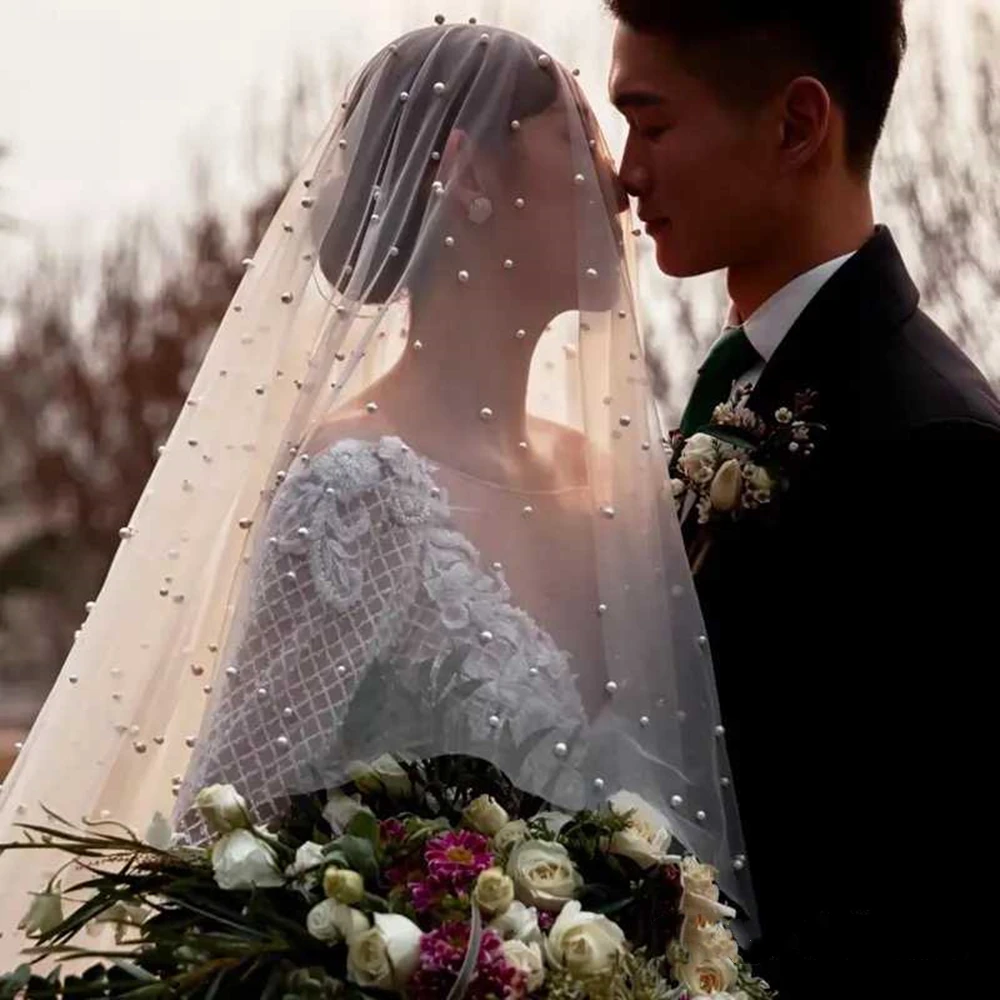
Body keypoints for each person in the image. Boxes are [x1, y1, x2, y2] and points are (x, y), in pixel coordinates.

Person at [0, 22, 754, 967]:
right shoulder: (360, 494)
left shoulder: (623, 487)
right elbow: (224, 847)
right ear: (467, 174)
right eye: (582, 140)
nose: (622, 181)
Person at [605, 1, 1000, 991]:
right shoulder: (739, 384)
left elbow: (930, 892)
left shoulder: (932, 442)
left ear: (795, 125)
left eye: (651, 124)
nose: (625, 172)